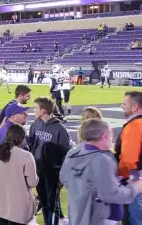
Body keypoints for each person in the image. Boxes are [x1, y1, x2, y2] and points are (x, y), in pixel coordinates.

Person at [61, 118, 142, 225]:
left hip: (79, 214)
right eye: (110, 136)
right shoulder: (102, 159)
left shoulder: (73, 153)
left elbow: (64, 178)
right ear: (104, 137)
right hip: (99, 217)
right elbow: (111, 195)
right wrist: (136, 187)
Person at [28, 97, 73, 225]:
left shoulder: (59, 129)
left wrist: (62, 176)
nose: (34, 110)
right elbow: (31, 145)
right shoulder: (36, 124)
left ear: (43, 110)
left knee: (51, 203)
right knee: (44, 201)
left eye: (35, 108)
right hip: (38, 170)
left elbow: (66, 153)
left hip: (53, 173)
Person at [0, 102, 30, 216]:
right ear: (13, 116)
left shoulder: (6, 128)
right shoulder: (13, 132)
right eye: (22, 113)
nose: (26, 115)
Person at [0, 124, 38, 225]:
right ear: (22, 139)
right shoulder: (26, 156)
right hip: (19, 206)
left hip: (0, 203)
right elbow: (32, 183)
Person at [117, 91, 142, 224]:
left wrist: (132, 181)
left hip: (135, 183)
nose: (122, 105)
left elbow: (129, 159)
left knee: (133, 219)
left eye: (124, 103)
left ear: (134, 107)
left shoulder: (134, 126)